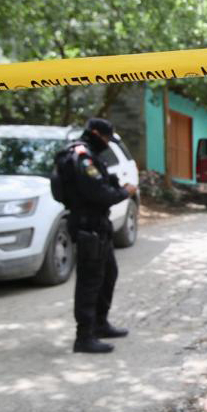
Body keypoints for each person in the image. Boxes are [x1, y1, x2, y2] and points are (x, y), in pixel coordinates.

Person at [55, 117, 137, 354]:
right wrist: (125, 192)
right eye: (107, 139)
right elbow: (100, 194)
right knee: (89, 282)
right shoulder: (83, 157)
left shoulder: (87, 154)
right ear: (96, 134)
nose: (108, 143)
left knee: (108, 274)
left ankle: (100, 324)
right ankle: (84, 336)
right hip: (87, 225)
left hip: (98, 225)